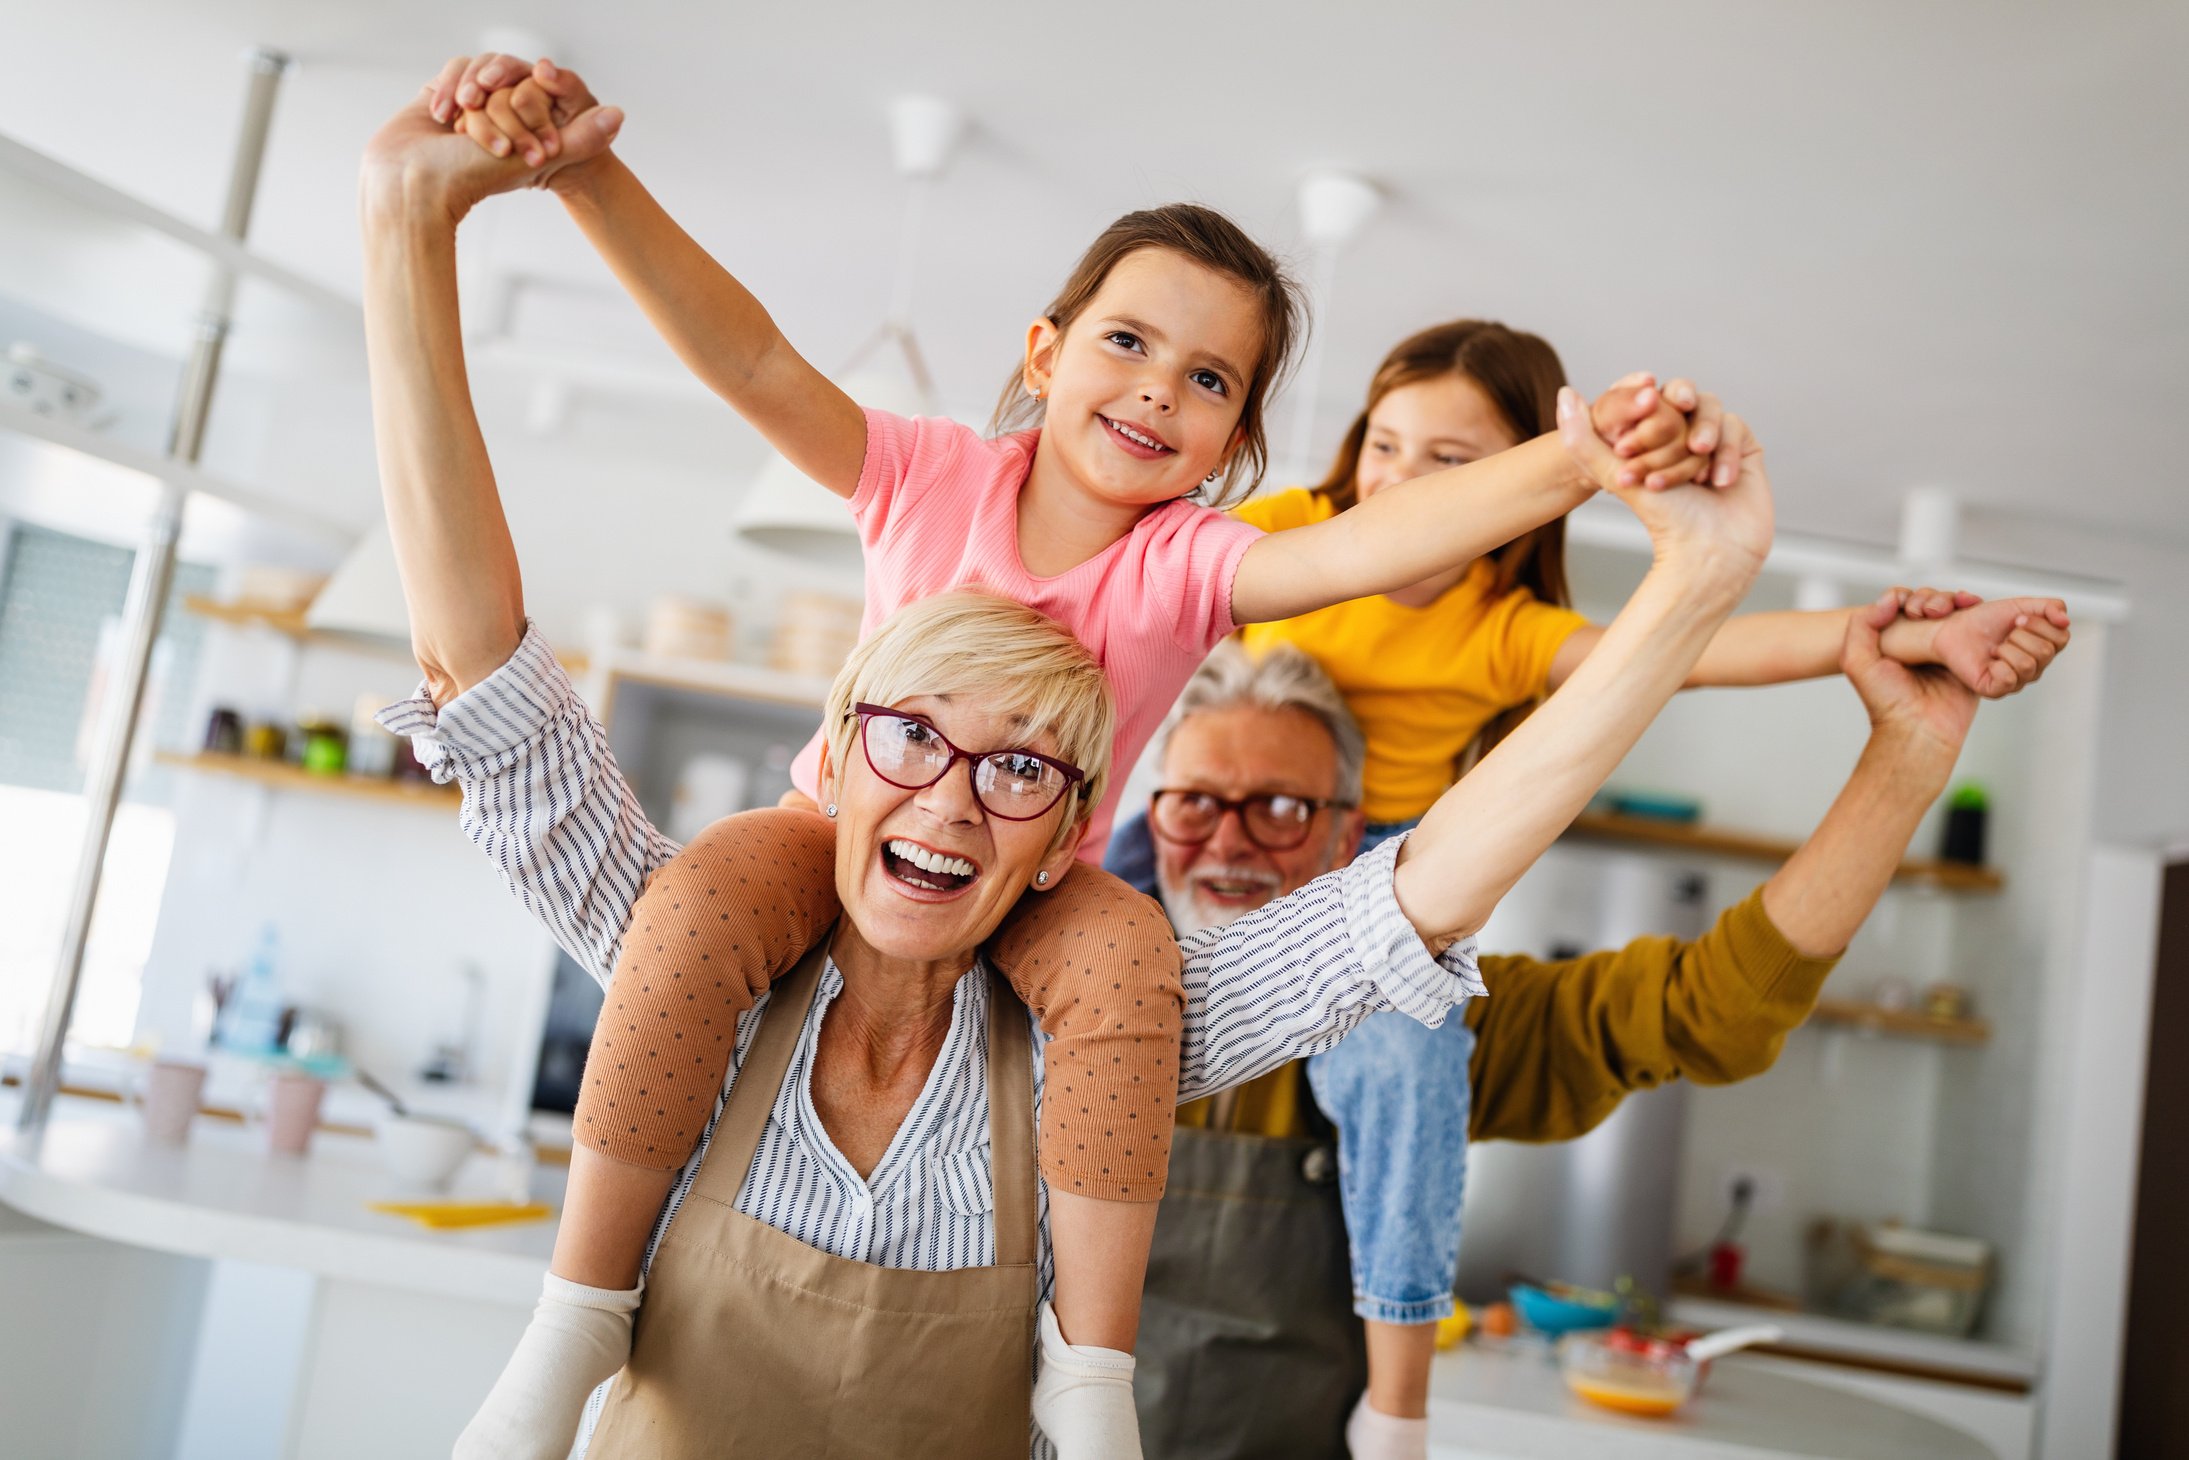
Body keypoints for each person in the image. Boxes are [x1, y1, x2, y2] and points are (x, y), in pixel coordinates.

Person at [360, 76, 1776, 1459]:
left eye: (1207, 379)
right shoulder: (926, 482)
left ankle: (1090, 1378)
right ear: (1043, 353)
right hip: (803, 842)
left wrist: (1576, 467)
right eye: (1128, 345)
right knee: (706, 894)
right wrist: (561, 182)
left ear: (1234, 443)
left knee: (1125, 960)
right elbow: (746, 368)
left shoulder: (1186, 572)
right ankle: (573, 1316)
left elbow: (1373, 570)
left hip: (1064, 904)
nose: (1158, 391)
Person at [1104, 318, 2072, 1447]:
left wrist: (1891, 677)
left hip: (1395, 887)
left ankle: (1399, 1400)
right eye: (1194, 802)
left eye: (1280, 807)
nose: (1227, 840)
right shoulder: (1279, 550)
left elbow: (1706, 975)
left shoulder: (1495, 643)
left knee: (1405, 1042)